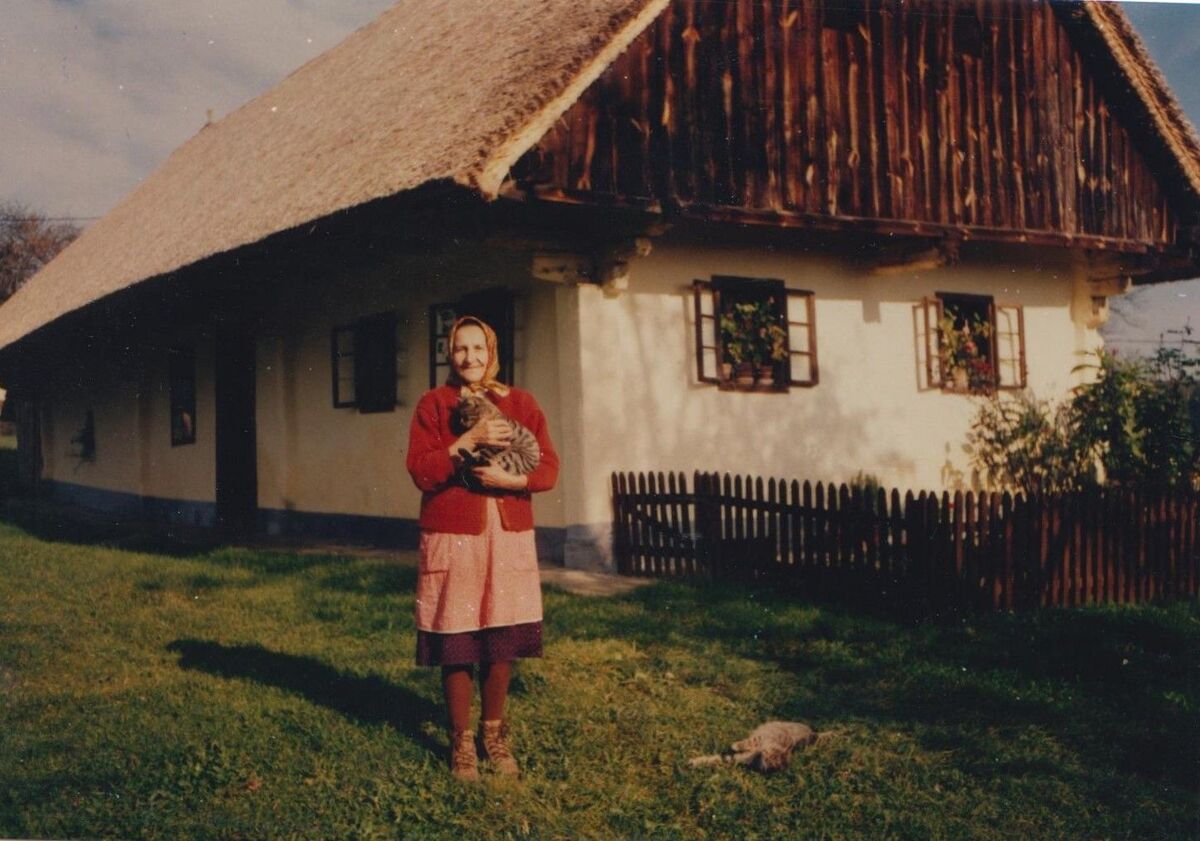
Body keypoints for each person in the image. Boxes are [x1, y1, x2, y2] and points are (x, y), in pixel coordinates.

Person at [406, 315, 559, 781]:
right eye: (460, 348)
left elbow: (549, 468)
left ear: (492, 351)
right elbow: (421, 470)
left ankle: (494, 735)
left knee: (500, 635)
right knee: (457, 637)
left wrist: (514, 481)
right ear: (449, 353)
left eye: (478, 348)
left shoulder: (521, 402)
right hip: (454, 535)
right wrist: (466, 442)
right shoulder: (434, 404)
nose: (469, 357)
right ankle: (461, 741)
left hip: (508, 535)